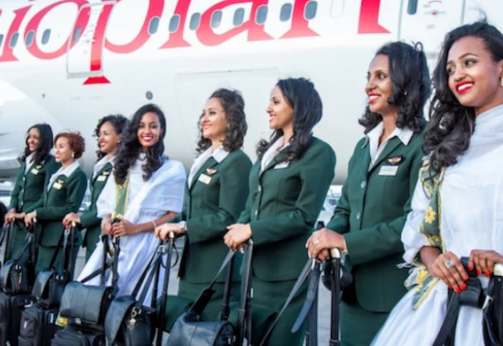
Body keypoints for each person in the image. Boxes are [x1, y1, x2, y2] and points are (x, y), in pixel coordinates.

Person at [372, 21, 503, 345]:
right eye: (450, 69)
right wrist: (438, 263)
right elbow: (421, 230)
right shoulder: (446, 147)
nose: (457, 74)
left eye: (469, 62)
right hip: (448, 305)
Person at [307, 41, 431, 345]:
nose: (369, 86)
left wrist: (345, 242)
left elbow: (413, 223)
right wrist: (328, 236)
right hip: (353, 295)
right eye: (368, 77)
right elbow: (346, 209)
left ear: (405, 83)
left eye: (380, 77)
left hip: (397, 295)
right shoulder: (365, 146)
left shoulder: (424, 144)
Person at [224, 77, 336, 346]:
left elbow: (303, 216)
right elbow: (253, 202)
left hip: (288, 276)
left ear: (298, 107)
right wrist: (238, 228)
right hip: (254, 270)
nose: (268, 109)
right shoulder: (269, 153)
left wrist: (251, 230)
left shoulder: (318, 153)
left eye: (276, 102)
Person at [155, 89, 252, 330]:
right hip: (193, 269)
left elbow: (228, 217)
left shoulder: (236, 161)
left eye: (212, 113)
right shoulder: (205, 160)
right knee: (185, 335)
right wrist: (167, 224)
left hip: (217, 273)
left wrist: (183, 226)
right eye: (203, 114)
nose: (204, 119)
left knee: (206, 335)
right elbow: (193, 210)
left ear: (230, 118)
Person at [78, 104, 185, 302]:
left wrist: (136, 228)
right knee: (95, 301)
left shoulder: (171, 169)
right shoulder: (123, 164)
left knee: (133, 307)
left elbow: (172, 214)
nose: (147, 131)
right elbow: (108, 205)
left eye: (153, 126)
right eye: (142, 126)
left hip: (146, 244)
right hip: (116, 243)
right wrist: (107, 220)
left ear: (162, 130)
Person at [63, 114, 127, 261]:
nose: (101, 138)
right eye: (99, 134)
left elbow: (113, 204)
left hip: (107, 233)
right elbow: (95, 202)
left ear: (120, 137)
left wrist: (82, 219)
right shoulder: (102, 165)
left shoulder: (122, 167)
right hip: (94, 233)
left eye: (106, 134)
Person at [24, 132, 88, 275]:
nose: (56, 151)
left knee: (54, 283)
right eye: (55, 147)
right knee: (41, 281)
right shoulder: (58, 173)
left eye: (61, 147)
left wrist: (38, 213)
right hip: (47, 237)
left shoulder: (77, 176)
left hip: (60, 238)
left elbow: (70, 208)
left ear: (73, 150)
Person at [5, 124, 59, 260]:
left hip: (34, 222)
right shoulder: (26, 162)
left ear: (44, 140)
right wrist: (12, 209)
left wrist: (25, 213)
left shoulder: (51, 163)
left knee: (25, 262)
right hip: (17, 223)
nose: (31, 140)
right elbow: (17, 190)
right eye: (29, 137)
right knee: (12, 261)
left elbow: (46, 195)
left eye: (36, 137)